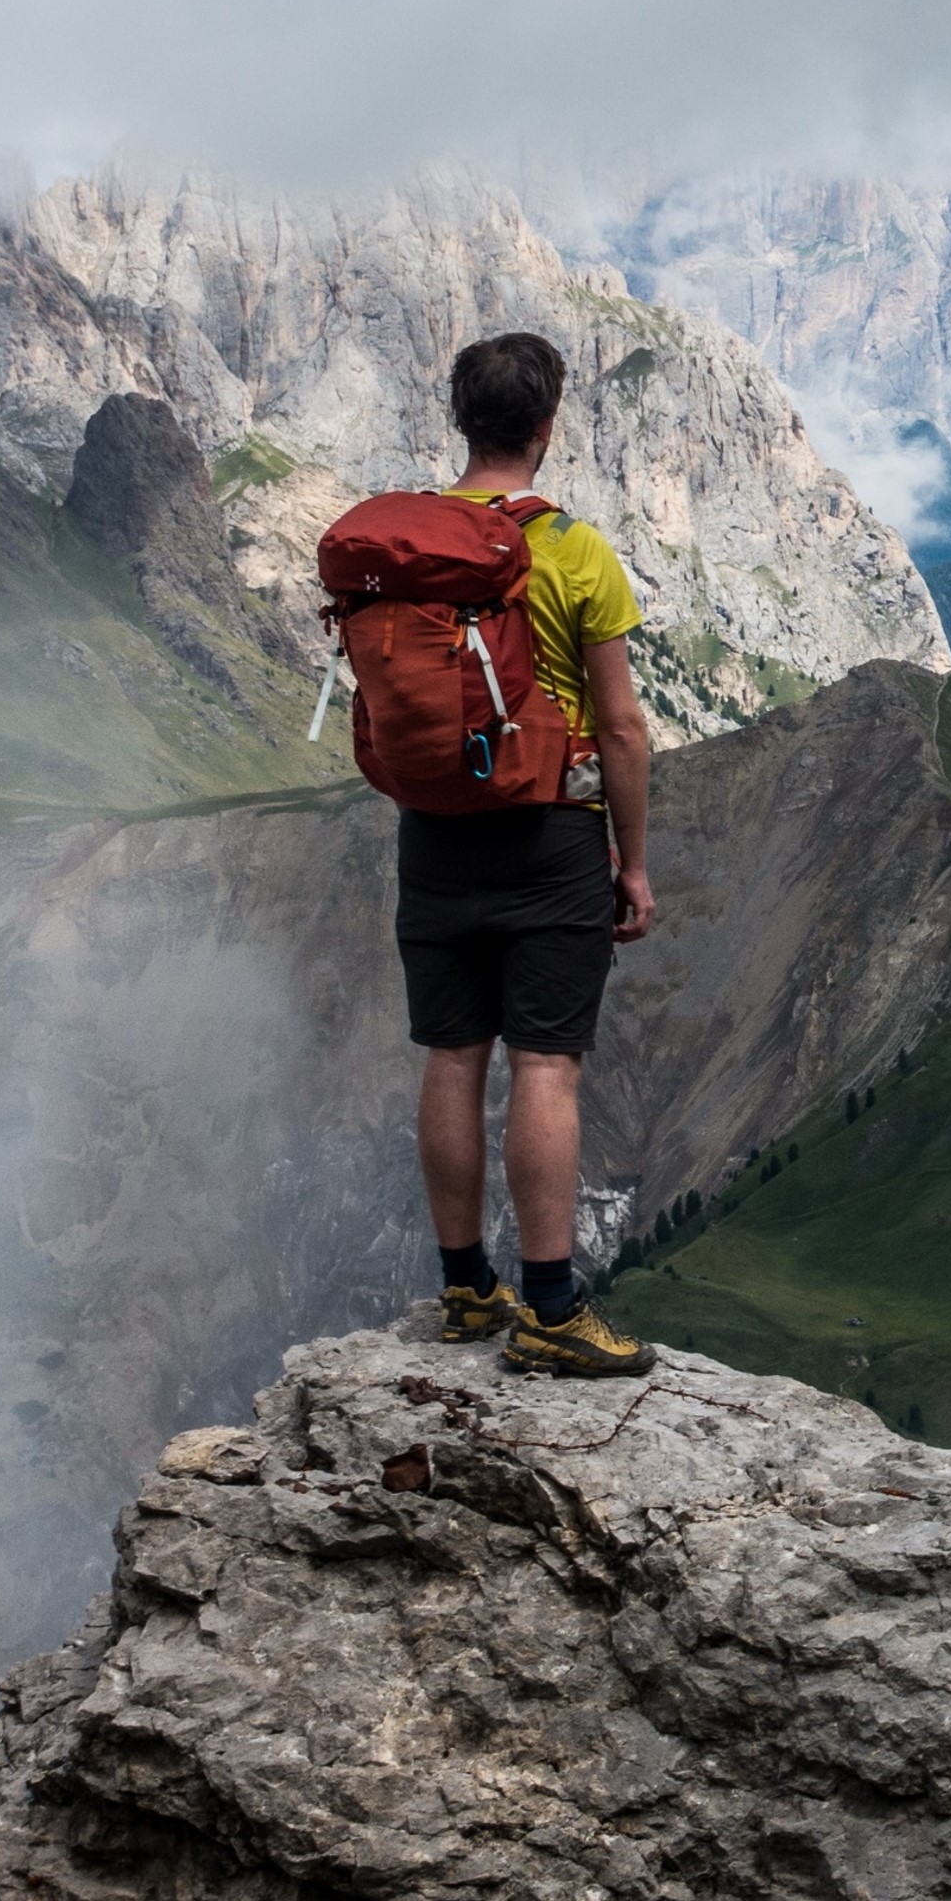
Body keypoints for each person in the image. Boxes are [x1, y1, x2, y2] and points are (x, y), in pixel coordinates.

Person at [401, 331, 660, 1377]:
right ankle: (551, 1308)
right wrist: (630, 865)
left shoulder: (406, 546)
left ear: (460, 420)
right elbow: (625, 727)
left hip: (433, 834)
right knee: (545, 1062)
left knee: (454, 1054)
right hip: (551, 830)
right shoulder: (575, 552)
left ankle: (466, 1290)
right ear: (547, 427)